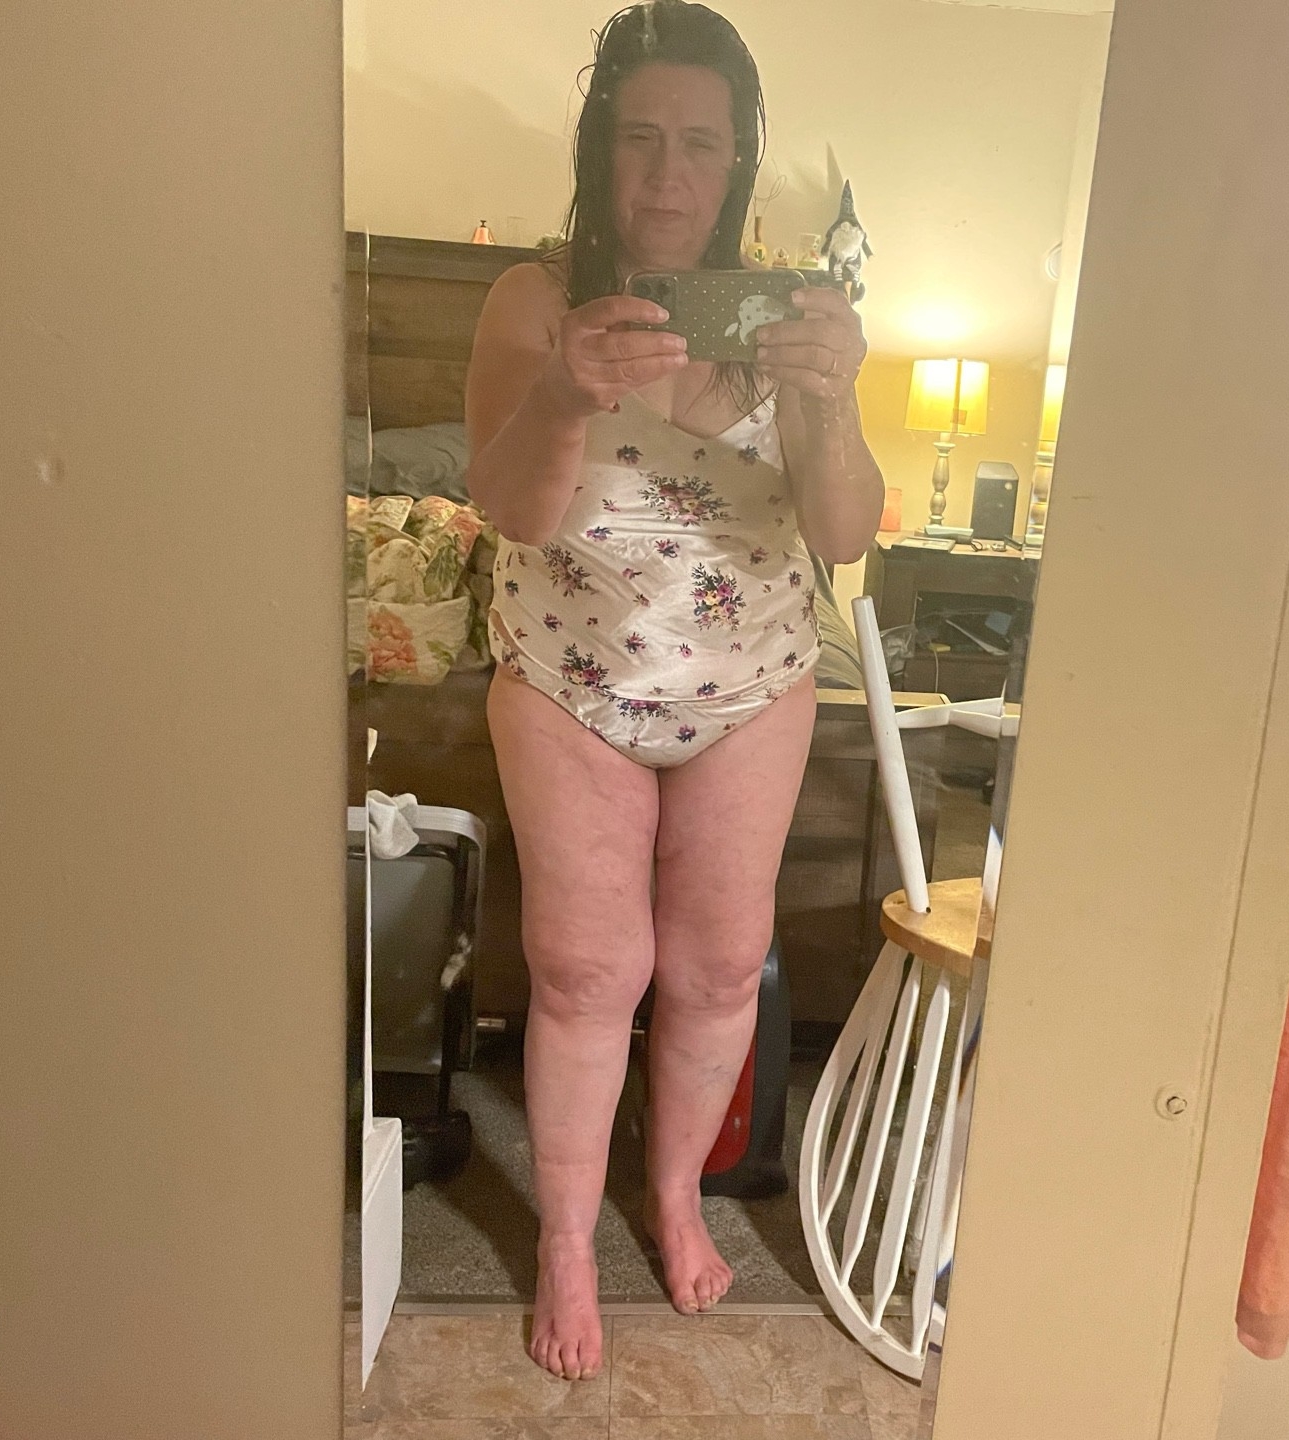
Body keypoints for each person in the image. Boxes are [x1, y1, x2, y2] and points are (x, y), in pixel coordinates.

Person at [464, 0, 883, 1382]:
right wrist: (564, 392)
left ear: (737, 161)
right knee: (588, 971)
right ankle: (567, 1243)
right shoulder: (535, 302)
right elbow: (513, 512)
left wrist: (834, 395)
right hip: (570, 674)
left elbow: (844, 533)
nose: (665, 175)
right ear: (600, 149)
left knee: (713, 970)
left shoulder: (790, 317)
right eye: (639, 137)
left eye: (699, 143)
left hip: (750, 682)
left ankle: (674, 1197)